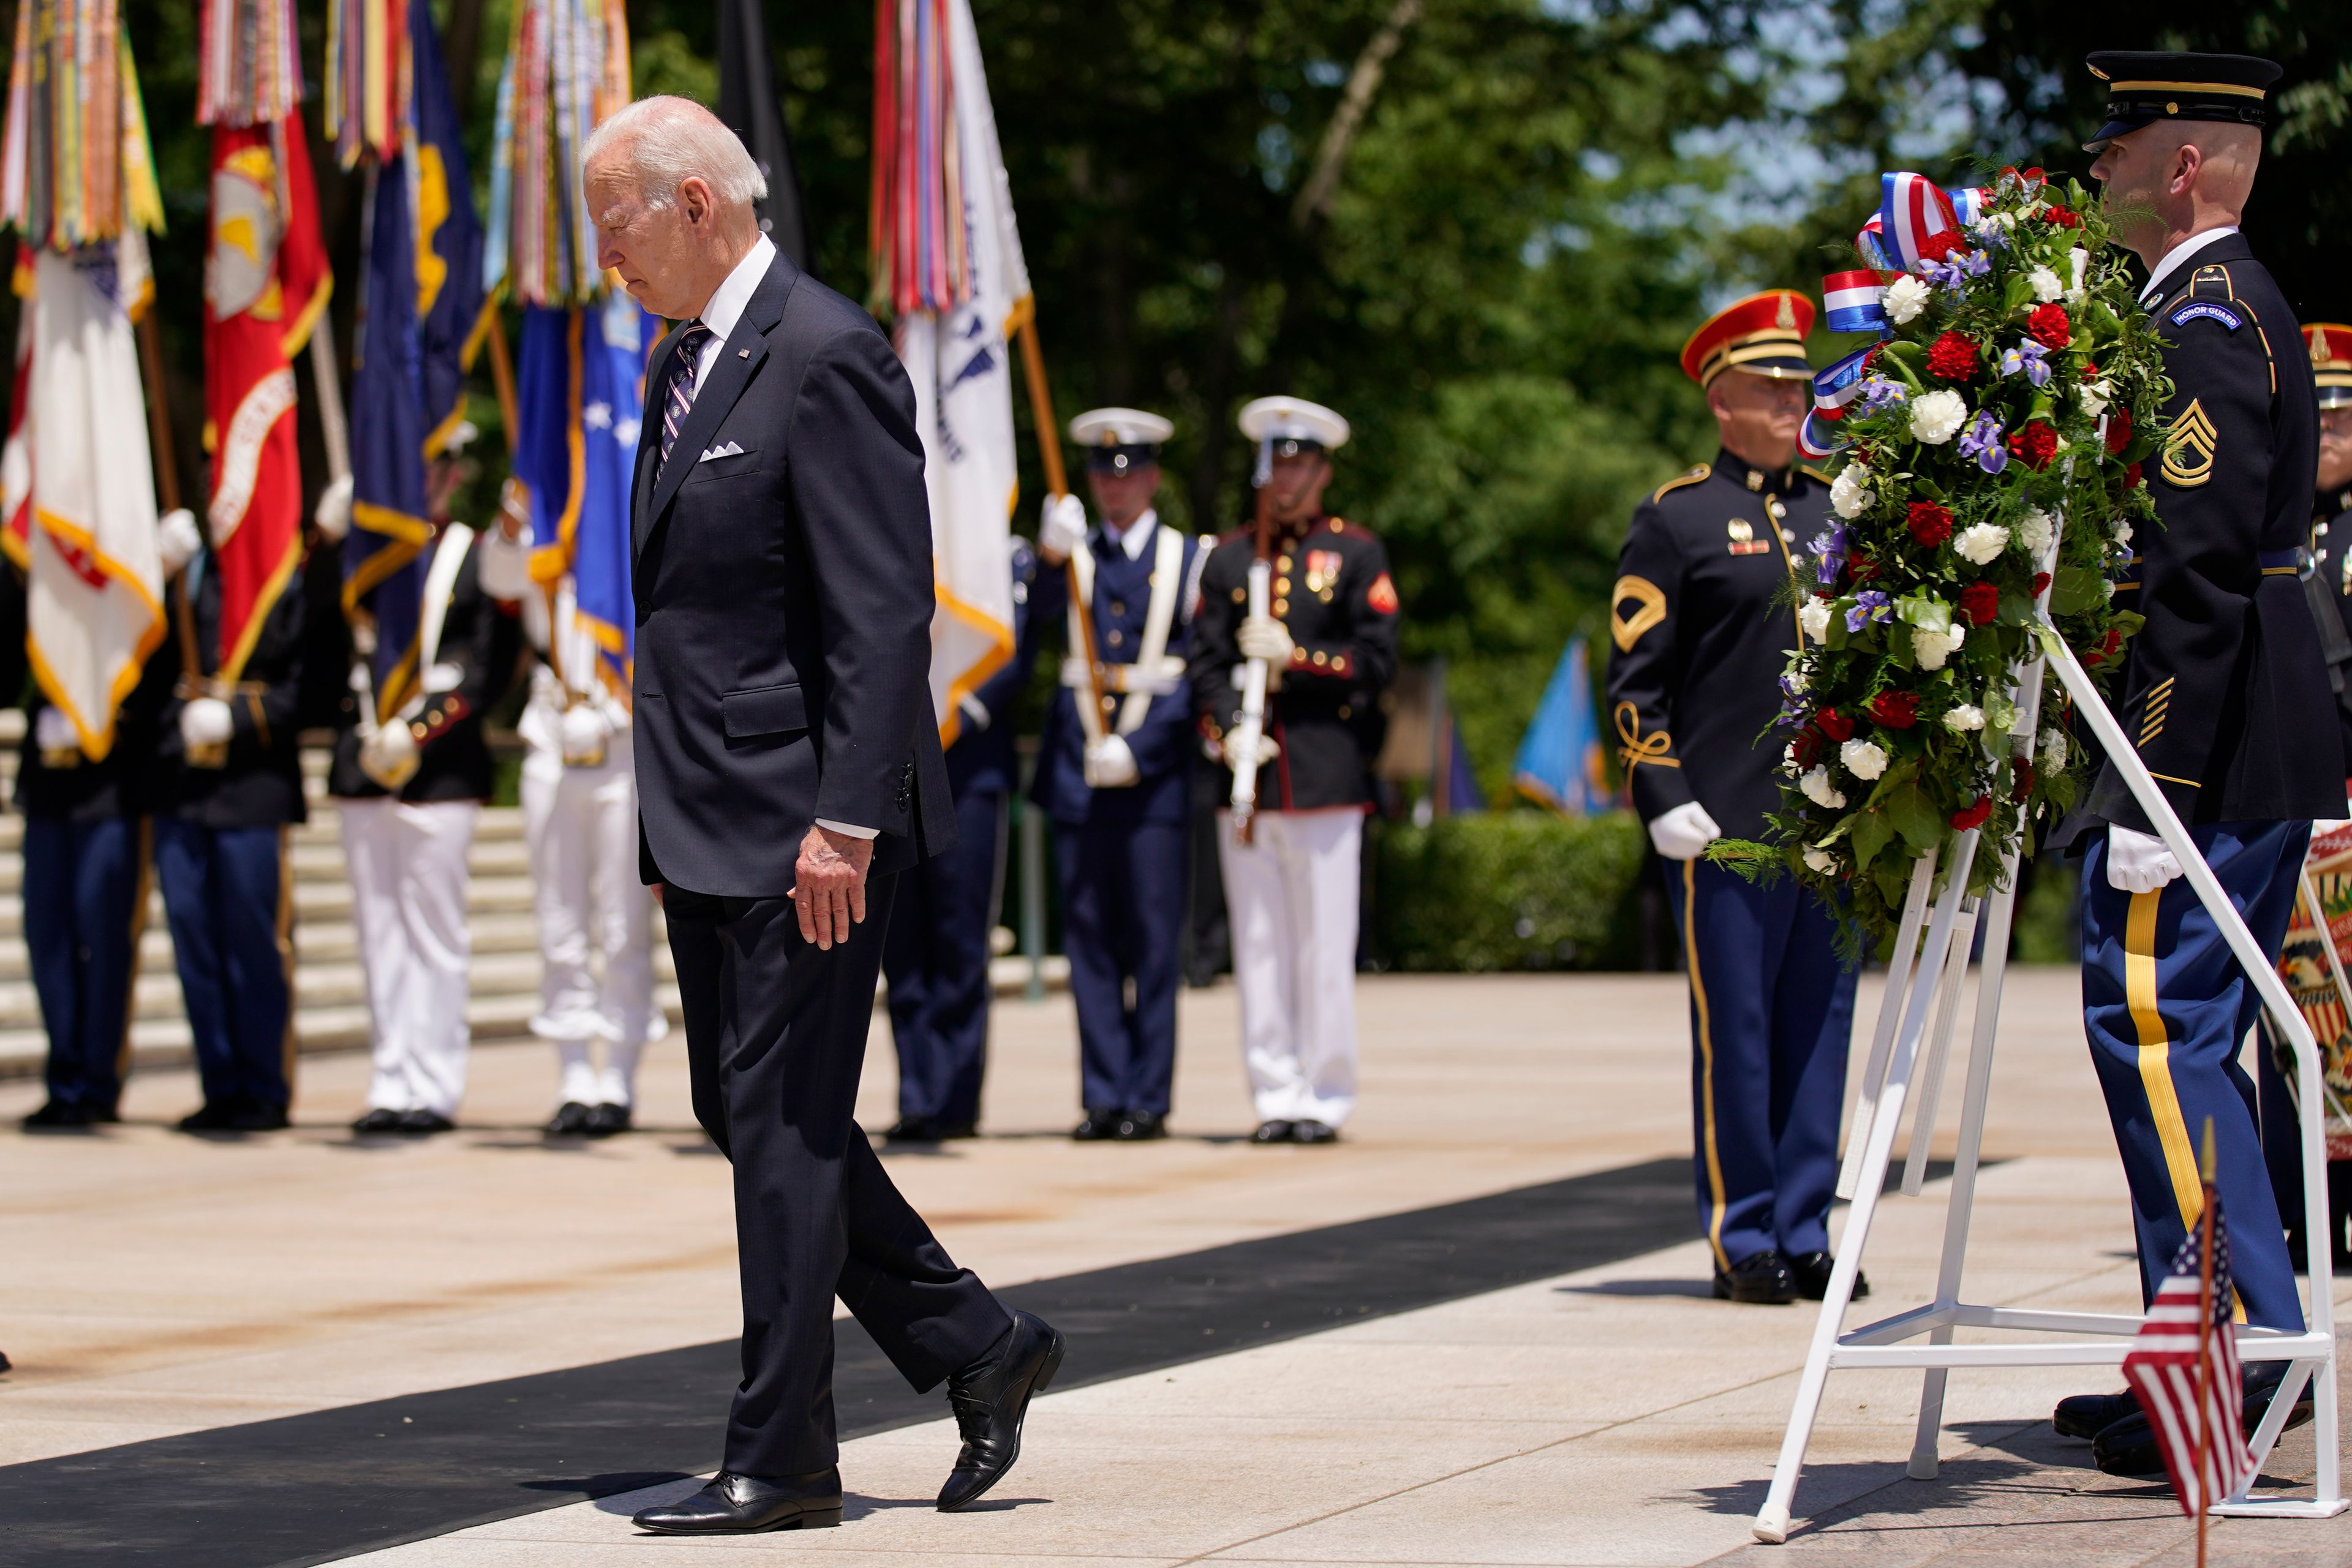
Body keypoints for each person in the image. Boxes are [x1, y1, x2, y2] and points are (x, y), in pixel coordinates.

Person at [583, 96, 1058, 1534]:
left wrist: (846, 819)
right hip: (711, 813)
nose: (605, 259)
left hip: (807, 820)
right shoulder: (686, 358)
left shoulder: (825, 352)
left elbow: (876, 614)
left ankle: (783, 1453)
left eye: (614, 227)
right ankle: (978, 1342)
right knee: (743, 1110)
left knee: (785, 1128)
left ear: (693, 205)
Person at [2048, 50, 2335, 1476]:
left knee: (2162, 1041)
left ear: (2178, 169)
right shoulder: (2202, 306)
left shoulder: (2207, 320)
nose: (2096, 164)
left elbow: (2196, 579)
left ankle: (2228, 1373)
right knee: (2175, 1040)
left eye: (2120, 142)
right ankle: (2189, 1347)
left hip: (2207, 750)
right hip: (2237, 736)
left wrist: (2151, 788)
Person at [1604, 291, 1862, 1307]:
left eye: (1798, 385)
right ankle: (1744, 1231)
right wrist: (1660, 787)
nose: (1792, 402)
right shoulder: (1678, 518)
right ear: (1721, 402)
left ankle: (1806, 1225)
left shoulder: (1834, 507)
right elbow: (1636, 676)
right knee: (1741, 1037)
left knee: (1821, 1031)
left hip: (1833, 820)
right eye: (1769, 388)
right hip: (1729, 827)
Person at [1190, 397, 1398, 1146]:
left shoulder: (1355, 555)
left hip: (1323, 778)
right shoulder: (1230, 557)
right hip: (1251, 781)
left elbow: (1377, 661)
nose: (1287, 477)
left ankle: (1326, 1091)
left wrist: (1297, 658)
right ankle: (1275, 1090)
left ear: (1324, 470)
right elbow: (1206, 663)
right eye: (1276, 462)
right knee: (1260, 943)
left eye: (1300, 462)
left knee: (1322, 944)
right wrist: (1227, 733)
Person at [322, 462, 522, 1137]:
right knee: (379, 933)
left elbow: (488, 663)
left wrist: (415, 731)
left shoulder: (468, 554)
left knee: (433, 933)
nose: (420, 479)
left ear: (455, 472)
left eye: (433, 465)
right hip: (365, 763)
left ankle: (433, 1085)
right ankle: (390, 1075)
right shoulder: (369, 553)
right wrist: (323, 543)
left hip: (439, 768)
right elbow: (321, 642)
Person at [1033, 409, 1208, 1142]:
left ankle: (1148, 1096)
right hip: (1079, 771)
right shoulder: (1071, 555)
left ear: (1154, 477)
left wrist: (1146, 748)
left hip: (1154, 778)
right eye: (1104, 472)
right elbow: (1031, 636)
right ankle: (1103, 1094)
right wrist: (1046, 563)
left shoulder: (1187, 557)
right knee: (1091, 942)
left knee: (1152, 941)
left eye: (1129, 471)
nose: (1115, 485)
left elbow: (1201, 671)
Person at [491, 476, 671, 1140]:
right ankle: (573, 1073)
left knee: (624, 925)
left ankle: (618, 1075)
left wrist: (613, 713)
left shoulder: (637, 533)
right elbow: (499, 578)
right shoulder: (549, 544)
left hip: (621, 747)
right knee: (559, 919)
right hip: (553, 742)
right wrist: (512, 522)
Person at [12, 511, 195, 1129]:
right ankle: (65, 1073)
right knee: (49, 938)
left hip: (112, 783)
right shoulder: (47, 559)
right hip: (51, 784)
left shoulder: (132, 567)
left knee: (103, 937)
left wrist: (155, 583)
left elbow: (163, 677)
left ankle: (95, 1078)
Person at [149, 513, 308, 1133]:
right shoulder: (185, 569)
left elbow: (305, 685)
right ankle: (220, 1082)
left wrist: (239, 720)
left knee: (252, 942)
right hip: (182, 784)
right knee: (196, 944)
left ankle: (264, 1085)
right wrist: (157, 576)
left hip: (251, 786)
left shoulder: (279, 570)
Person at [879, 533, 1038, 1143]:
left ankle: (957, 1097)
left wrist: (958, 712)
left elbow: (1012, 643)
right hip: (897, 762)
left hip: (969, 765)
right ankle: (918, 1095)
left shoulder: (996, 546)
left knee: (960, 937)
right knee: (904, 943)